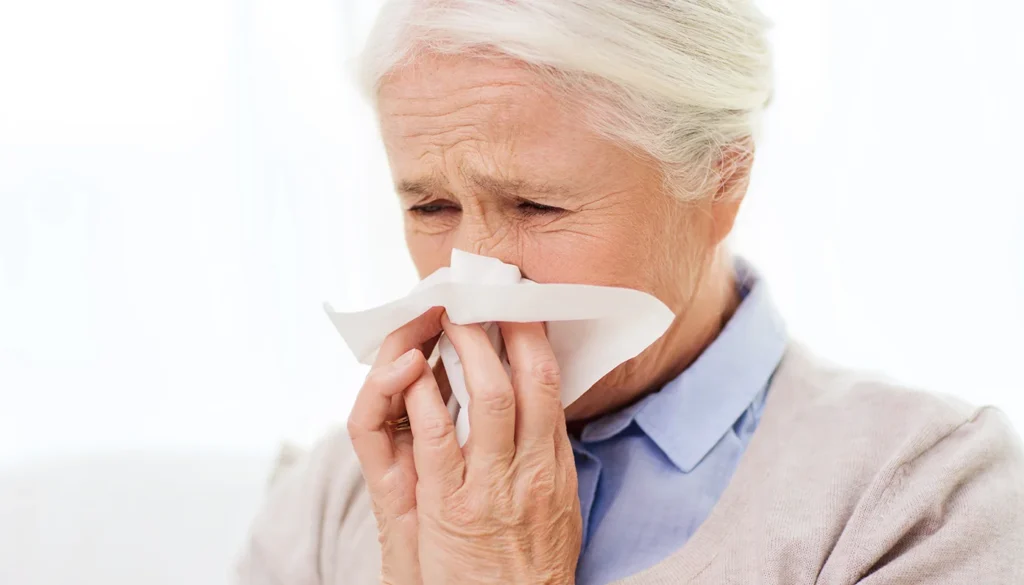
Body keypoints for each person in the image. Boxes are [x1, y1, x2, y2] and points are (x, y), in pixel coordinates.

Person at [235, 1, 1024, 583]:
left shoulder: (916, 497)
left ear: (722, 178)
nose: (473, 274)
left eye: (537, 205)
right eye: (430, 207)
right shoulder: (333, 499)